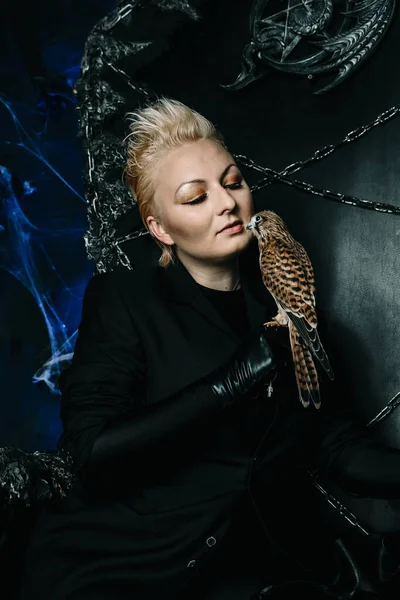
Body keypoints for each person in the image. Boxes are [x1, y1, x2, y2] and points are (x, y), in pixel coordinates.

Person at [20, 98, 400, 600]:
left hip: (238, 566)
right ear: (160, 228)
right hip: (118, 563)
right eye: (196, 197)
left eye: (233, 182)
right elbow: (88, 455)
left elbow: (331, 442)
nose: (226, 203)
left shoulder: (287, 307)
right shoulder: (124, 300)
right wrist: (227, 383)